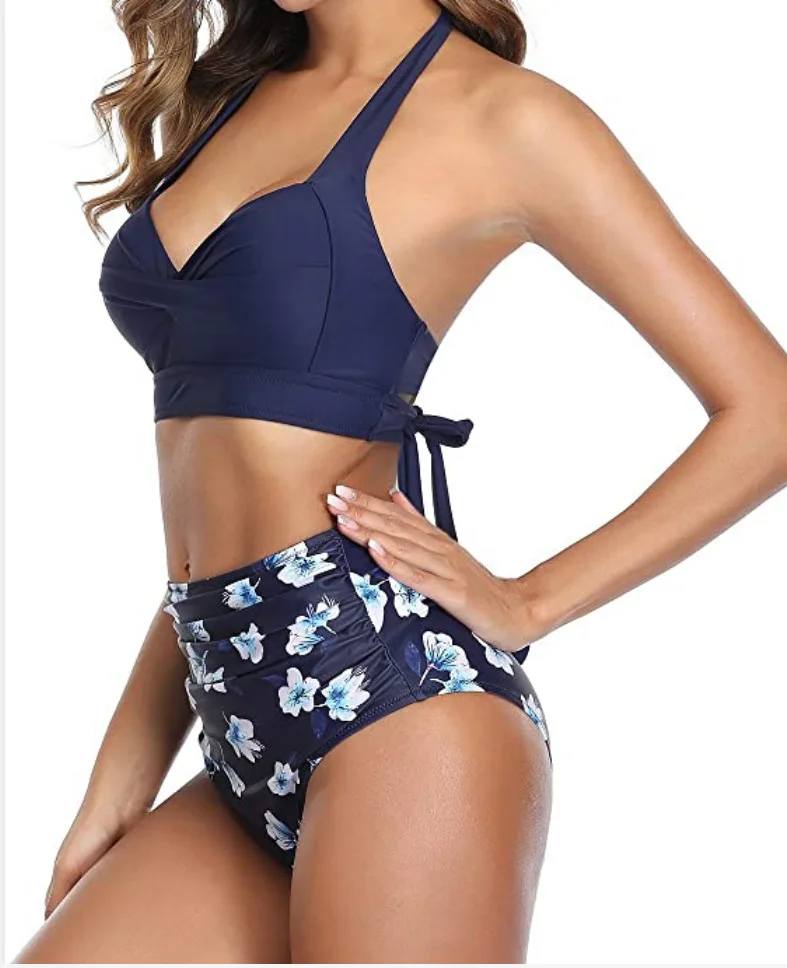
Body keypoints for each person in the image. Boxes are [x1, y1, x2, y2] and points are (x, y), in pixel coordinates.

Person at [14, 0, 787, 963]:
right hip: (233, 708)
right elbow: (222, 504)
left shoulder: (506, 118)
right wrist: (119, 779)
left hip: (401, 711)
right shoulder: (232, 96)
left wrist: (530, 601)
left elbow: (767, 410)